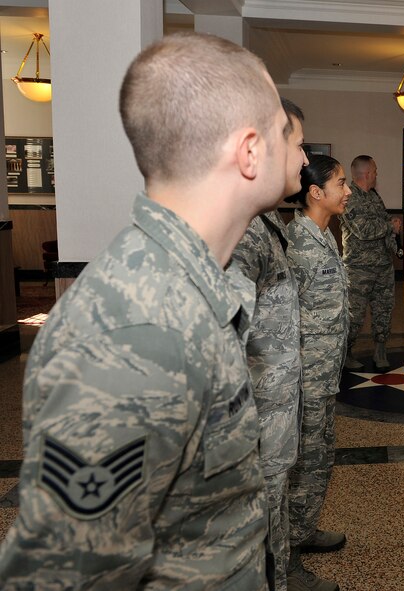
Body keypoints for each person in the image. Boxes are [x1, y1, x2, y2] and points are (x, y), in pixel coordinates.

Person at [0, 32, 290, 588]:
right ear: (250, 151)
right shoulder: (137, 332)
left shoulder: (185, 286)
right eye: (281, 130)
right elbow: (71, 575)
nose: (292, 146)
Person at [229, 97, 307, 590]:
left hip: (273, 418)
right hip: (253, 428)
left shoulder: (266, 222)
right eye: (299, 145)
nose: (305, 158)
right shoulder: (241, 233)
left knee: (272, 518)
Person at [285, 155, 352, 591]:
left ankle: (304, 529)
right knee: (303, 463)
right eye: (341, 183)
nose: (348, 191)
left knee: (319, 456)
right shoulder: (297, 244)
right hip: (304, 379)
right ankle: (287, 560)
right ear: (315, 192)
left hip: (323, 374)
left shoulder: (324, 234)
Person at [341, 155, 401, 372]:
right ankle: (346, 352)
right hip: (359, 269)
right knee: (354, 315)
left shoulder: (374, 196)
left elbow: (384, 221)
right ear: (366, 173)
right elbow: (363, 230)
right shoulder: (348, 197)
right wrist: (390, 227)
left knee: (383, 310)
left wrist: (393, 233)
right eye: (375, 170)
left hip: (383, 266)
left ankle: (380, 350)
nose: (377, 174)